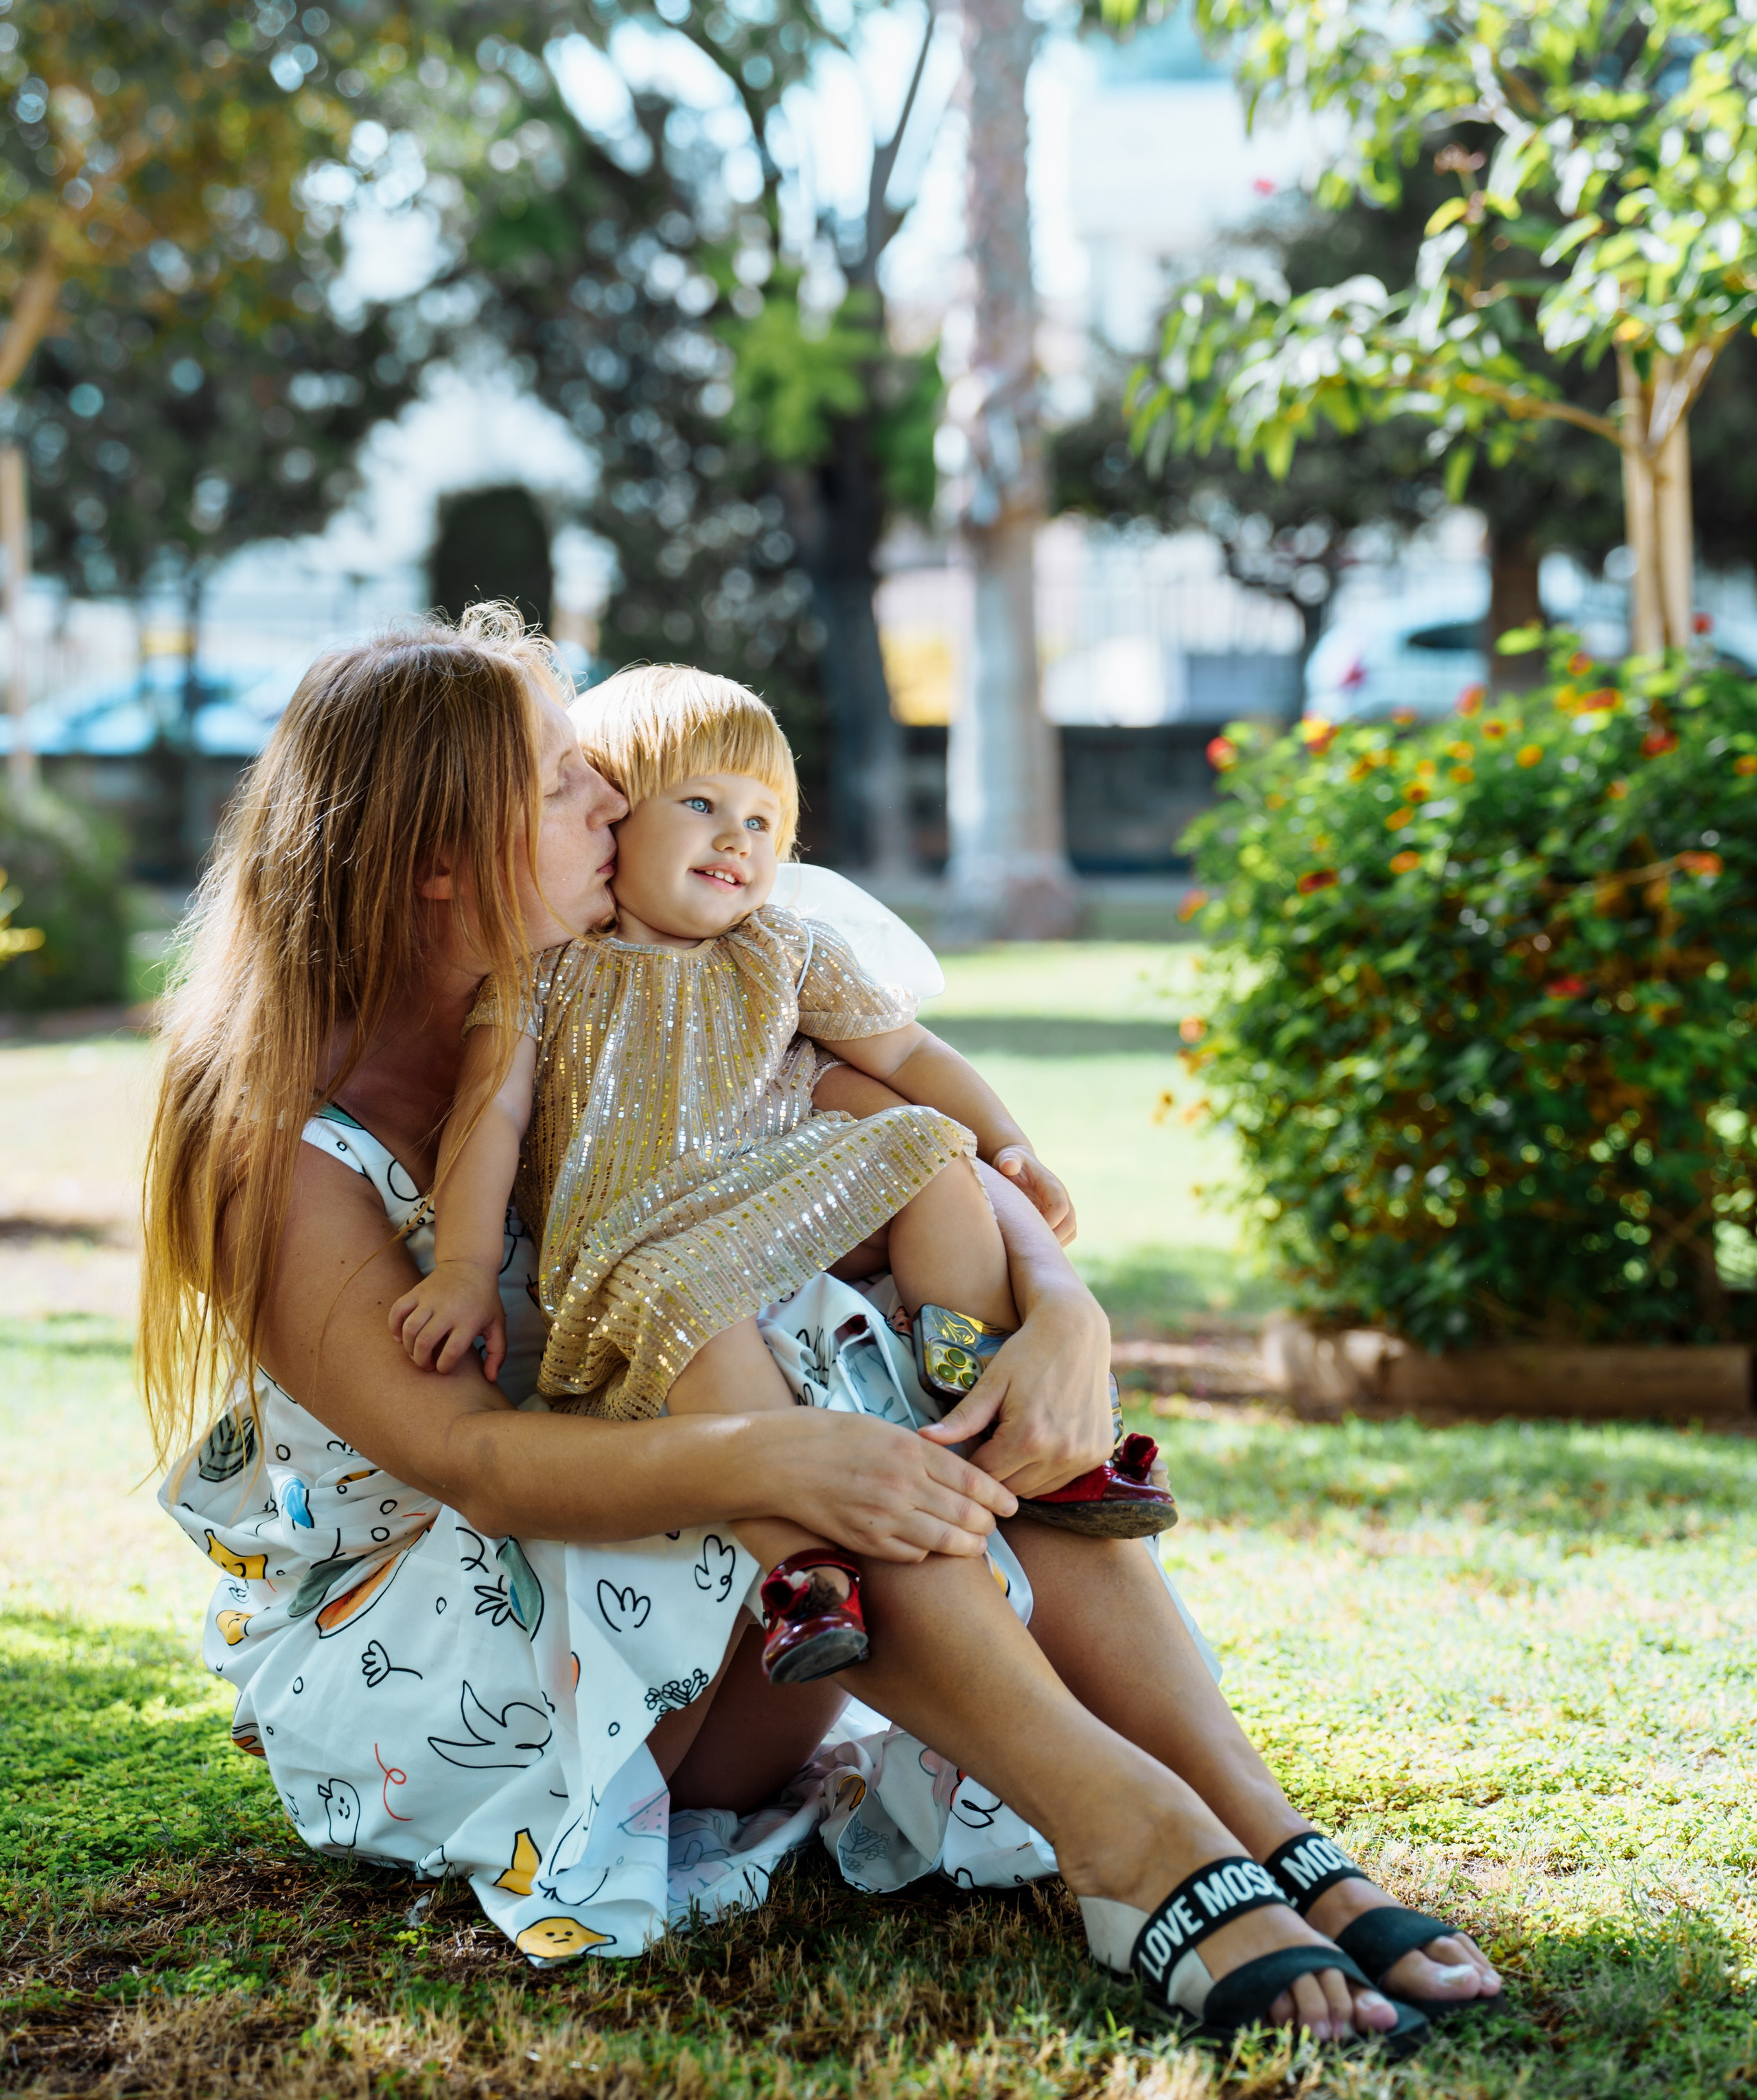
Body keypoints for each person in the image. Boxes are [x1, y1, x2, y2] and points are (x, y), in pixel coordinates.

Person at [141, 610, 1501, 2051]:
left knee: (888, 1336)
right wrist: (782, 1461)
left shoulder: (654, 971)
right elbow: (475, 1461)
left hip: (731, 1629)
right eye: (559, 781)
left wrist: (1058, 1309)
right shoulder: (277, 1144)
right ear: (434, 860)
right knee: (792, 1348)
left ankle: (1263, 1828)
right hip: (466, 1677)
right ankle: (1136, 1841)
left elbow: (882, 1127)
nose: (611, 793)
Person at [391, 663, 1175, 1689]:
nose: (738, 839)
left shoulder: (785, 952)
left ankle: (986, 1394)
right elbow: (490, 1117)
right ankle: (802, 1572)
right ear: (616, 819)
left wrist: (1006, 1139)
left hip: (777, 1196)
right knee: (692, 1308)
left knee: (928, 1147)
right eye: (704, 805)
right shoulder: (549, 968)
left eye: (766, 820)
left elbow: (912, 1061)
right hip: (639, 1245)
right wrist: (462, 1265)